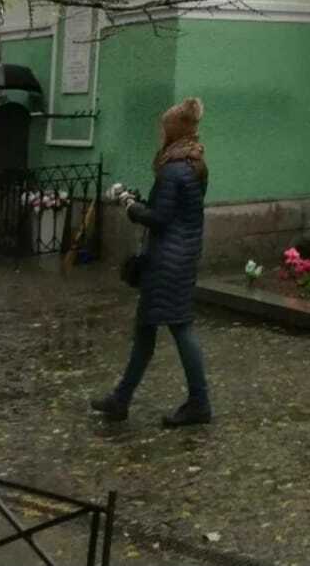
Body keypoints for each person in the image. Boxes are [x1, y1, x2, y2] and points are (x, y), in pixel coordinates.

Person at [91, 97, 212, 427]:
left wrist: (129, 205)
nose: (161, 133)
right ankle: (121, 399)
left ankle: (199, 402)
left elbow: (159, 218)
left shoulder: (173, 169)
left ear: (174, 131)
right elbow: (173, 212)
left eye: (164, 128)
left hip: (167, 260)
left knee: (179, 328)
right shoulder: (193, 164)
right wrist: (140, 200)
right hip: (181, 254)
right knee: (147, 329)